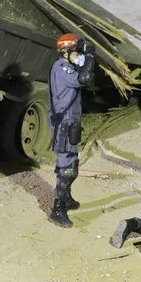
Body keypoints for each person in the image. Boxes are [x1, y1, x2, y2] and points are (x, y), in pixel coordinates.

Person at [47, 33, 96, 228]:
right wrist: (90, 57)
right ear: (66, 52)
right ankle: (57, 210)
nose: (78, 55)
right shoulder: (62, 68)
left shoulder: (68, 65)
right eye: (75, 51)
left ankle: (66, 198)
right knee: (66, 166)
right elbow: (85, 77)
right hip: (64, 122)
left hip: (70, 121)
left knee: (72, 162)